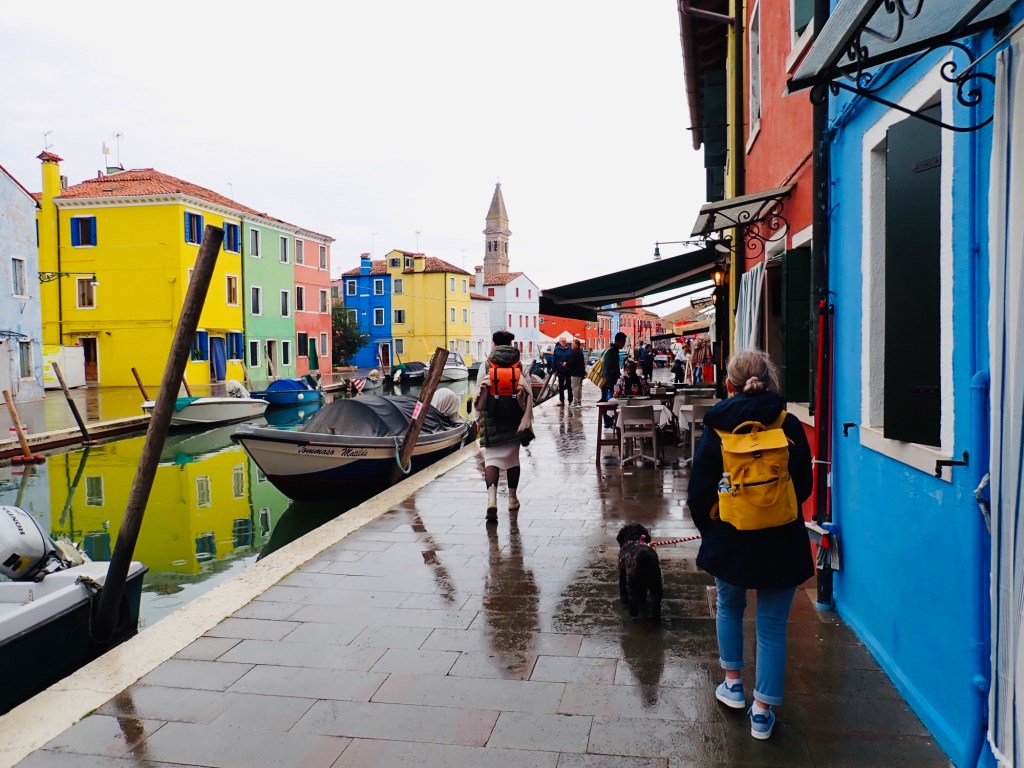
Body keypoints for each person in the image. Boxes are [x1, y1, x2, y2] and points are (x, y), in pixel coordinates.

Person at [686, 350, 813, 741]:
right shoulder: (788, 424)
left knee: (729, 606)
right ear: (770, 380)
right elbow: (804, 485)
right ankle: (762, 712)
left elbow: (700, 491)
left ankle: (733, 685)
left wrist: (714, 527)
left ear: (729, 384)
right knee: (772, 626)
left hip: (731, 537)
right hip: (782, 538)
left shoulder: (718, 427)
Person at [474, 343, 534, 523]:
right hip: (515, 421)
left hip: (491, 420)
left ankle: (491, 499)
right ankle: (512, 499)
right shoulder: (520, 365)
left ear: (494, 344)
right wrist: (528, 419)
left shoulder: (486, 365)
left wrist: (477, 420)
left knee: (491, 460)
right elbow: (529, 394)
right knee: (513, 460)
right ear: (510, 345)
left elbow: (478, 393)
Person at [602, 332, 627, 428]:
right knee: (609, 402)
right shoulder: (612, 351)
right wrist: (609, 382)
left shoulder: (612, 350)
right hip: (608, 383)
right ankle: (608, 422)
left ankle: (610, 421)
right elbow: (606, 367)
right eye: (624, 342)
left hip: (610, 381)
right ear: (620, 341)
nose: (624, 344)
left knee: (609, 401)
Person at [551, 337, 575, 406]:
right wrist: (554, 369)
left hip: (568, 369)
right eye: (562, 341)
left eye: (565, 341)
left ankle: (570, 400)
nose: (564, 342)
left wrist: (567, 363)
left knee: (569, 385)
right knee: (561, 386)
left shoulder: (570, 349)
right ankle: (561, 401)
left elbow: (572, 358)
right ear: (559, 342)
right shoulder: (556, 349)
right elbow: (554, 360)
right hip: (560, 370)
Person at [567, 339, 587, 409]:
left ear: (576, 344)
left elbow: (572, 362)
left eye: (572, 344)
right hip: (580, 373)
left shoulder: (575, 353)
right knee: (579, 388)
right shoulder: (580, 352)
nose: (571, 345)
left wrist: (566, 363)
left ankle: (575, 402)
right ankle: (578, 401)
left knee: (575, 388)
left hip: (575, 373)